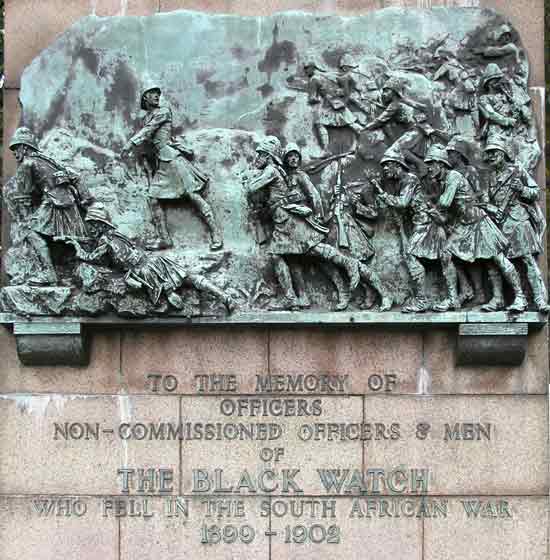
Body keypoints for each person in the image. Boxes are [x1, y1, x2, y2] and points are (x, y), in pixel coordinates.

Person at [245, 136, 361, 310]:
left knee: (312, 251)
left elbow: (252, 188)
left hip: (290, 220)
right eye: (289, 156)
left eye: (260, 155)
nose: (257, 159)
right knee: (289, 257)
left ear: (269, 155)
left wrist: (248, 177)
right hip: (282, 219)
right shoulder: (281, 172)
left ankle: (348, 264)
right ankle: (297, 297)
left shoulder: (272, 170)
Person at [67, 204, 234, 313]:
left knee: (183, 281)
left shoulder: (105, 241)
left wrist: (75, 245)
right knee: (189, 277)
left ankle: (169, 293)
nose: (90, 228)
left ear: (99, 224)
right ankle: (223, 296)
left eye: (91, 225)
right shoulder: (117, 234)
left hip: (144, 272)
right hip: (154, 260)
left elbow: (90, 257)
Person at [122, 83, 222, 250]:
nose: (156, 96)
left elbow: (149, 130)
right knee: (152, 198)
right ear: (144, 97)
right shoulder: (148, 116)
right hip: (162, 162)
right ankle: (164, 239)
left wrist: (131, 143)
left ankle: (216, 234)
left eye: (157, 93)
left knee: (193, 195)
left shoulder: (163, 111)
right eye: (152, 93)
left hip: (172, 158)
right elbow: (151, 138)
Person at [426, 144, 526, 312]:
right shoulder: (443, 181)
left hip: (478, 221)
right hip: (464, 224)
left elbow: (445, 202)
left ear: (440, 164)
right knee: (446, 253)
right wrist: (437, 217)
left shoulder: (453, 176)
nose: (428, 169)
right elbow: (447, 214)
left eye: (430, 164)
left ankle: (519, 297)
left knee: (496, 259)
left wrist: (432, 203)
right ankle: (453, 298)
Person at [8, 127, 91, 285]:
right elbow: (76, 176)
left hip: (53, 205)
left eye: (16, 148)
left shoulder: (27, 164)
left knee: (29, 231)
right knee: (77, 241)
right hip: (68, 204)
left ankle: (48, 273)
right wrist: (87, 200)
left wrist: (24, 216)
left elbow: (24, 194)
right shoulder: (47, 160)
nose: (14, 152)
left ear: (25, 147)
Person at [374, 147, 447, 313]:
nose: (385, 169)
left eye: (388, 165)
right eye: (383, 166)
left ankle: (422, 300)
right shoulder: (401, 182)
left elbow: (402, 203)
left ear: (397, 165)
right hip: (419, 223)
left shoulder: (410, 179)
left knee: (412, 255)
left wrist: (381, 193)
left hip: (426, 223)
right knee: (439, 259)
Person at [482, 137, 548, 312]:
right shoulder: (490, 177)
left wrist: (522, 189)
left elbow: (536, 193)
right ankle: (519, 297)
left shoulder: (518, 170)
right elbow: (486, 200)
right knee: (501, 262)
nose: (491, 156)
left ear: (503, 153)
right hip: (501, 224)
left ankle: (540, 299)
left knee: (527, 259)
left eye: (494, 152)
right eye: (488, 153)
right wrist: (490, 207)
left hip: (519, 220)